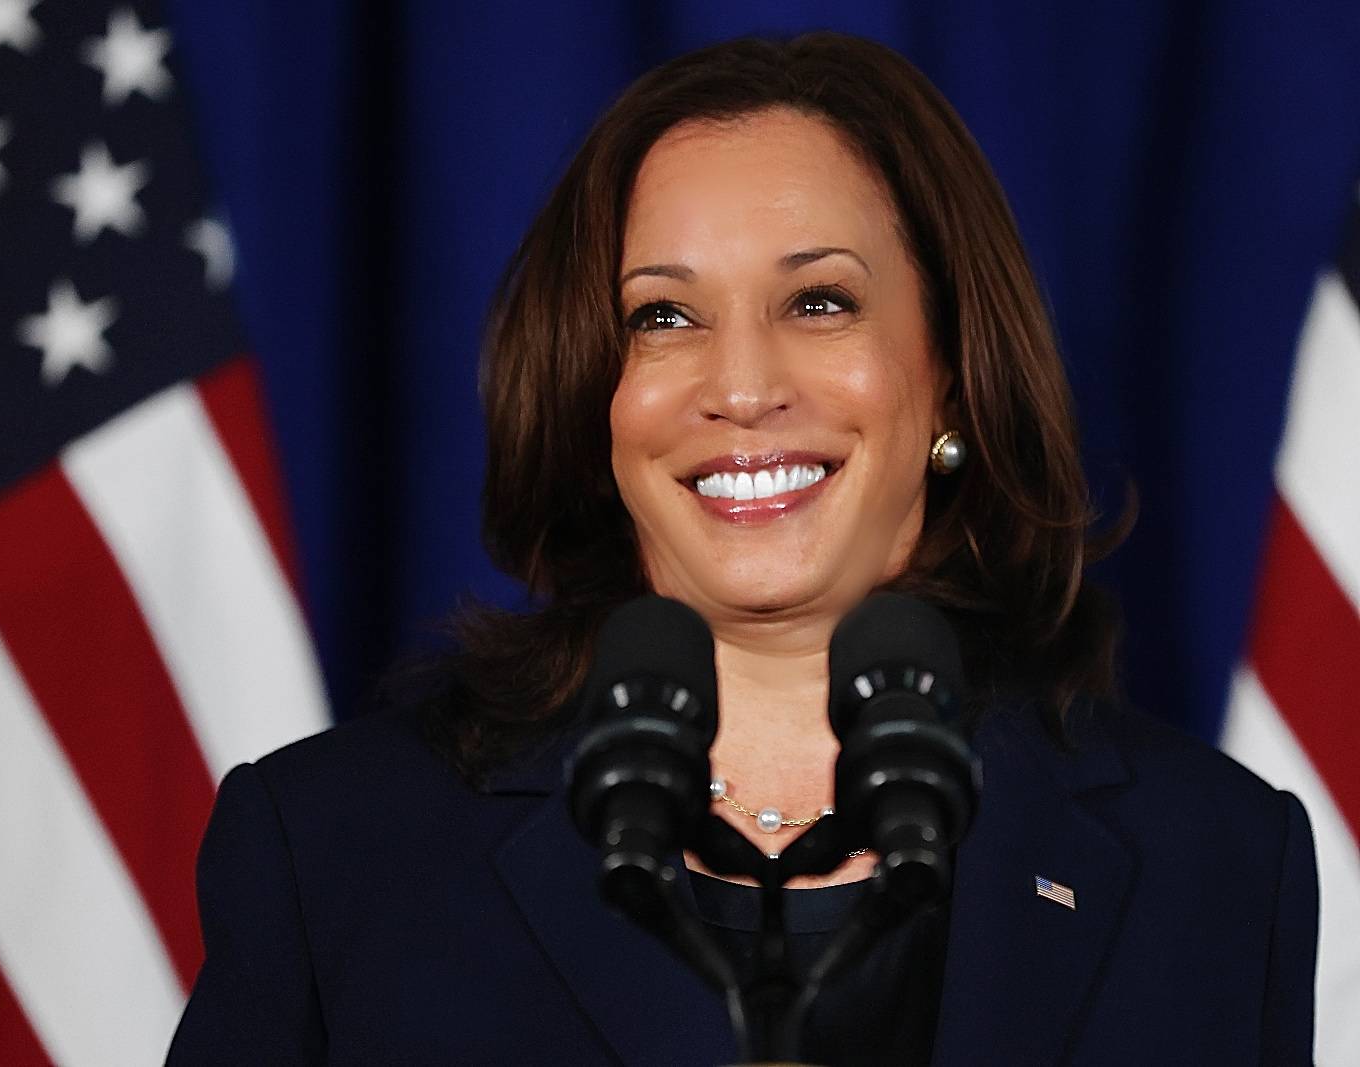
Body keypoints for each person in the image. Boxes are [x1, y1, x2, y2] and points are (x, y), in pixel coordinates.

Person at [167, 31, 1317, 1067]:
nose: (744, 386)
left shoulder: (1212, 862)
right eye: (663, 316)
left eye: (819, 302)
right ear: (595, 402)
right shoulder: (332, 853)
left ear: (952, 379)